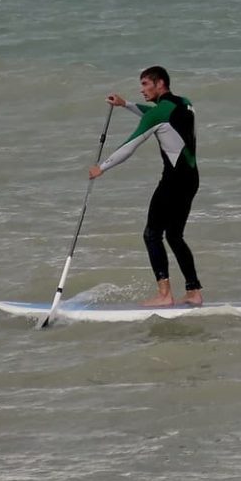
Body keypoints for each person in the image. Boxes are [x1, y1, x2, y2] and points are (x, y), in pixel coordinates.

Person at [89, 66, 202, 307]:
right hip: (191, 179)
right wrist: (126, 104)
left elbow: (130, 146)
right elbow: (158, 115)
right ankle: (194, 292)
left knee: (152, 235)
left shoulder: (158, 113)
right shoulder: (185, 104)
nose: (142, 90)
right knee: (174, 236)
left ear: (159, 83)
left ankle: (165, 295)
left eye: (145, 85)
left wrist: (102, 167)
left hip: (172, 182)